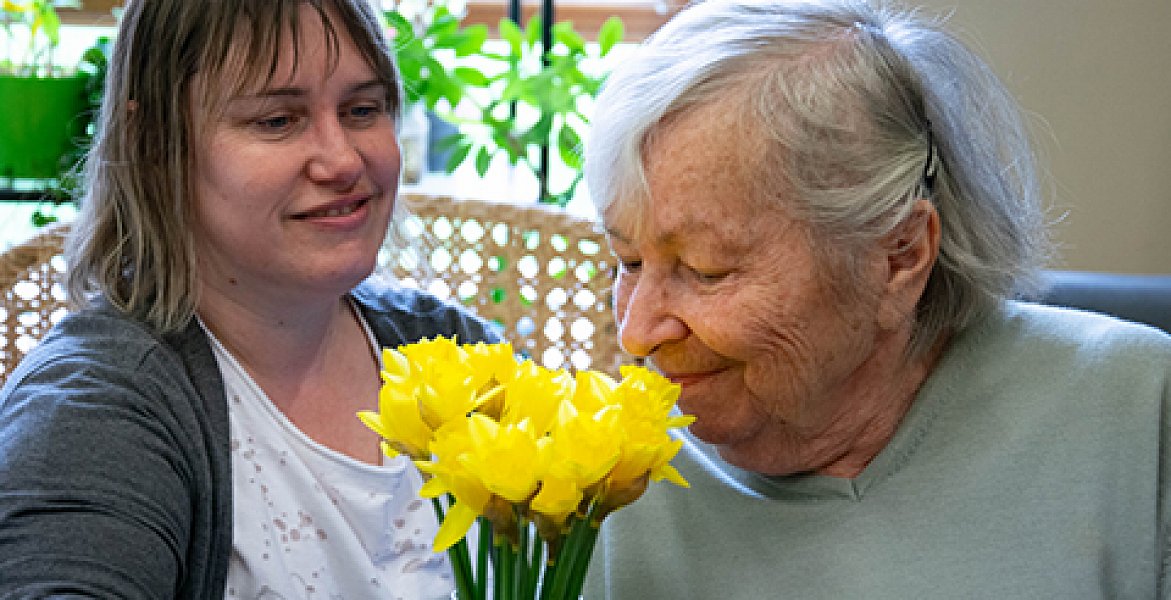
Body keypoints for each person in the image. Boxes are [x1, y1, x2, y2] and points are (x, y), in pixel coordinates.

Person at [581, 0, 1171, 597]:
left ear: (899, 256)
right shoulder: (592, 483)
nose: (637, 332)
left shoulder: (1137, 415)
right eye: (628, 261)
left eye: (707, 270)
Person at [0, 0, 498, 597]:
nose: (343, 160)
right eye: (277, 121)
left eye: (363, 109)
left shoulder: (456, 352)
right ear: (155, 142)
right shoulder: (96, 411)